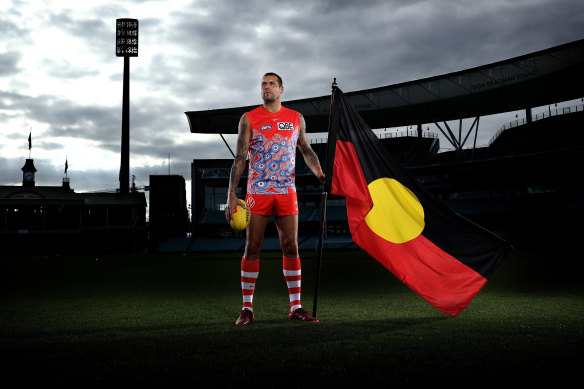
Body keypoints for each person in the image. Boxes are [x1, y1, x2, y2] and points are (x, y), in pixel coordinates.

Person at [225, 72, 325, 326]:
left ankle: (296, 307)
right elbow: (239, 157)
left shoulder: (295, 118)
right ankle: (247, 308)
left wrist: (319, 173)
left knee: (291, 246)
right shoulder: (249, 119)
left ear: (282, 89)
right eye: (263, 84)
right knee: (252, 247)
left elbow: (306, 150)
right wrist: (231, 194)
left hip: (286, 191)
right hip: (258, 191)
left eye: (271, 84)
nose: (266, 87)